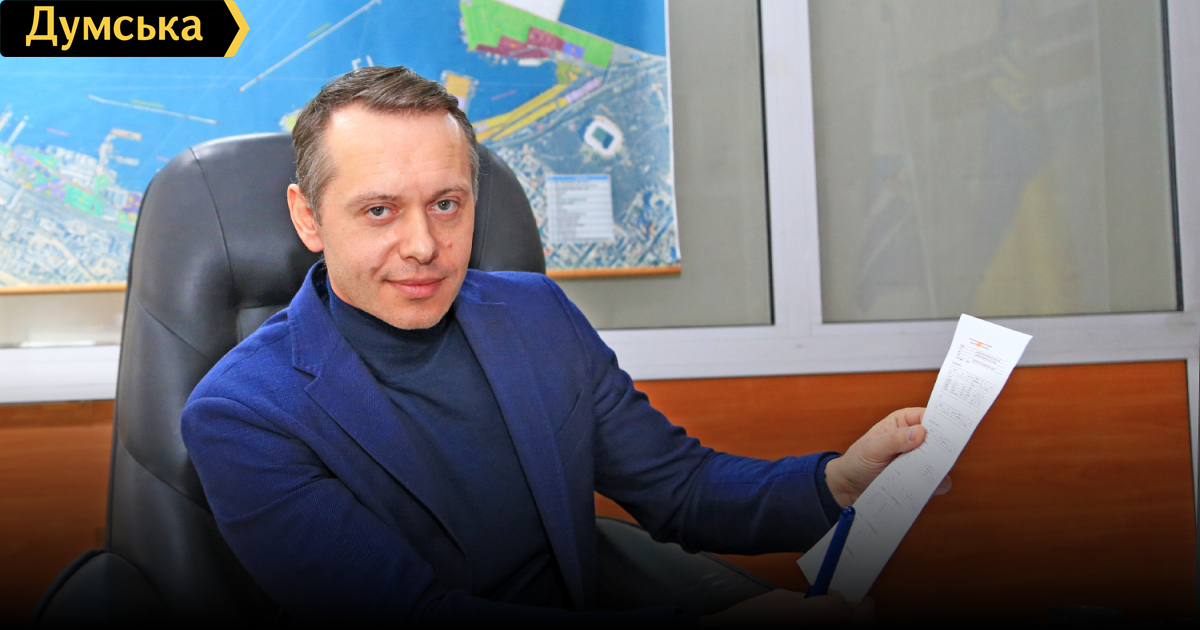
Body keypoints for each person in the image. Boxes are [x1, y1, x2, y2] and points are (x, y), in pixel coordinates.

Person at [181, 66, 948, 628]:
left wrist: (838, 482)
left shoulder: (534, 315)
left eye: (447, 204)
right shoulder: (241, 414)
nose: (424, 245)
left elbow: (681, 488)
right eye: (379, 210)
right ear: (309, 219)